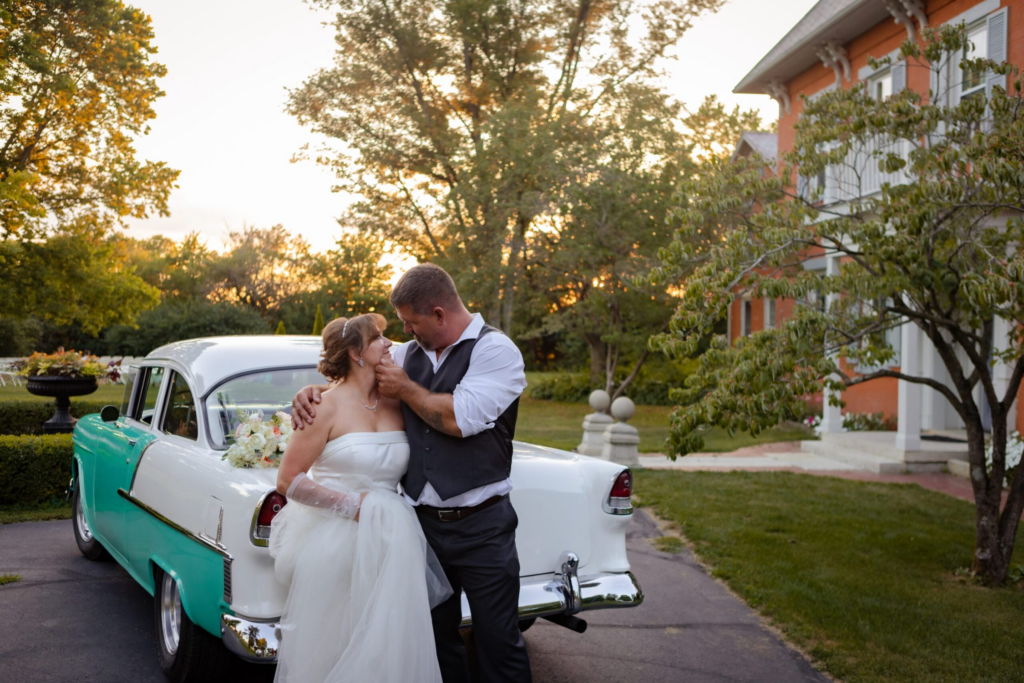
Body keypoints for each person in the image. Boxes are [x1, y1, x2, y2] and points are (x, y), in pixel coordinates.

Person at [292, 263, 532, 683]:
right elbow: (352, 378)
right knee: (434, 643)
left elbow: (460, 419)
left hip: (482, 529)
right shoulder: (406, 354)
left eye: (410, 322)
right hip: (418, 530)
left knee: (499, 643)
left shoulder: (496, 351)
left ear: (439, 314)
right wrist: (310, 392)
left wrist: (405, 390)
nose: (403, 333)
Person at [270, 313, 450, 683]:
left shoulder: (398, 403)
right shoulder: (322, 407)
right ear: (356, 352)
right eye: (379, 338)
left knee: (390, 642)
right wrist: (354, 508)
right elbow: (288, 480)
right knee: (337, 643)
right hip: (339, 543)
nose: (389, 344)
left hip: (395, 540)